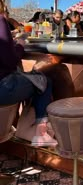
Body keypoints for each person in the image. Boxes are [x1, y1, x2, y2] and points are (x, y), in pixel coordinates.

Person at [0, 10, 57, 147]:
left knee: (28, 79)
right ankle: (41, 134)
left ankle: (19, 130)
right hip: (3, 88)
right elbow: (9, 60)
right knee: (44, 82)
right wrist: (20, 44)